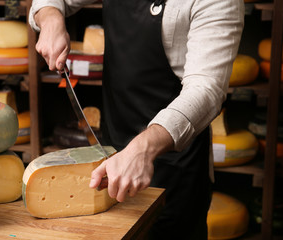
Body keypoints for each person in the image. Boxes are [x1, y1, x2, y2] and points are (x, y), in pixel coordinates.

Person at [29, 0, 244, 239]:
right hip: (111, 158)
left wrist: (142, 150)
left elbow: (206, 90)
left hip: (175, 168)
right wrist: (51, 20)